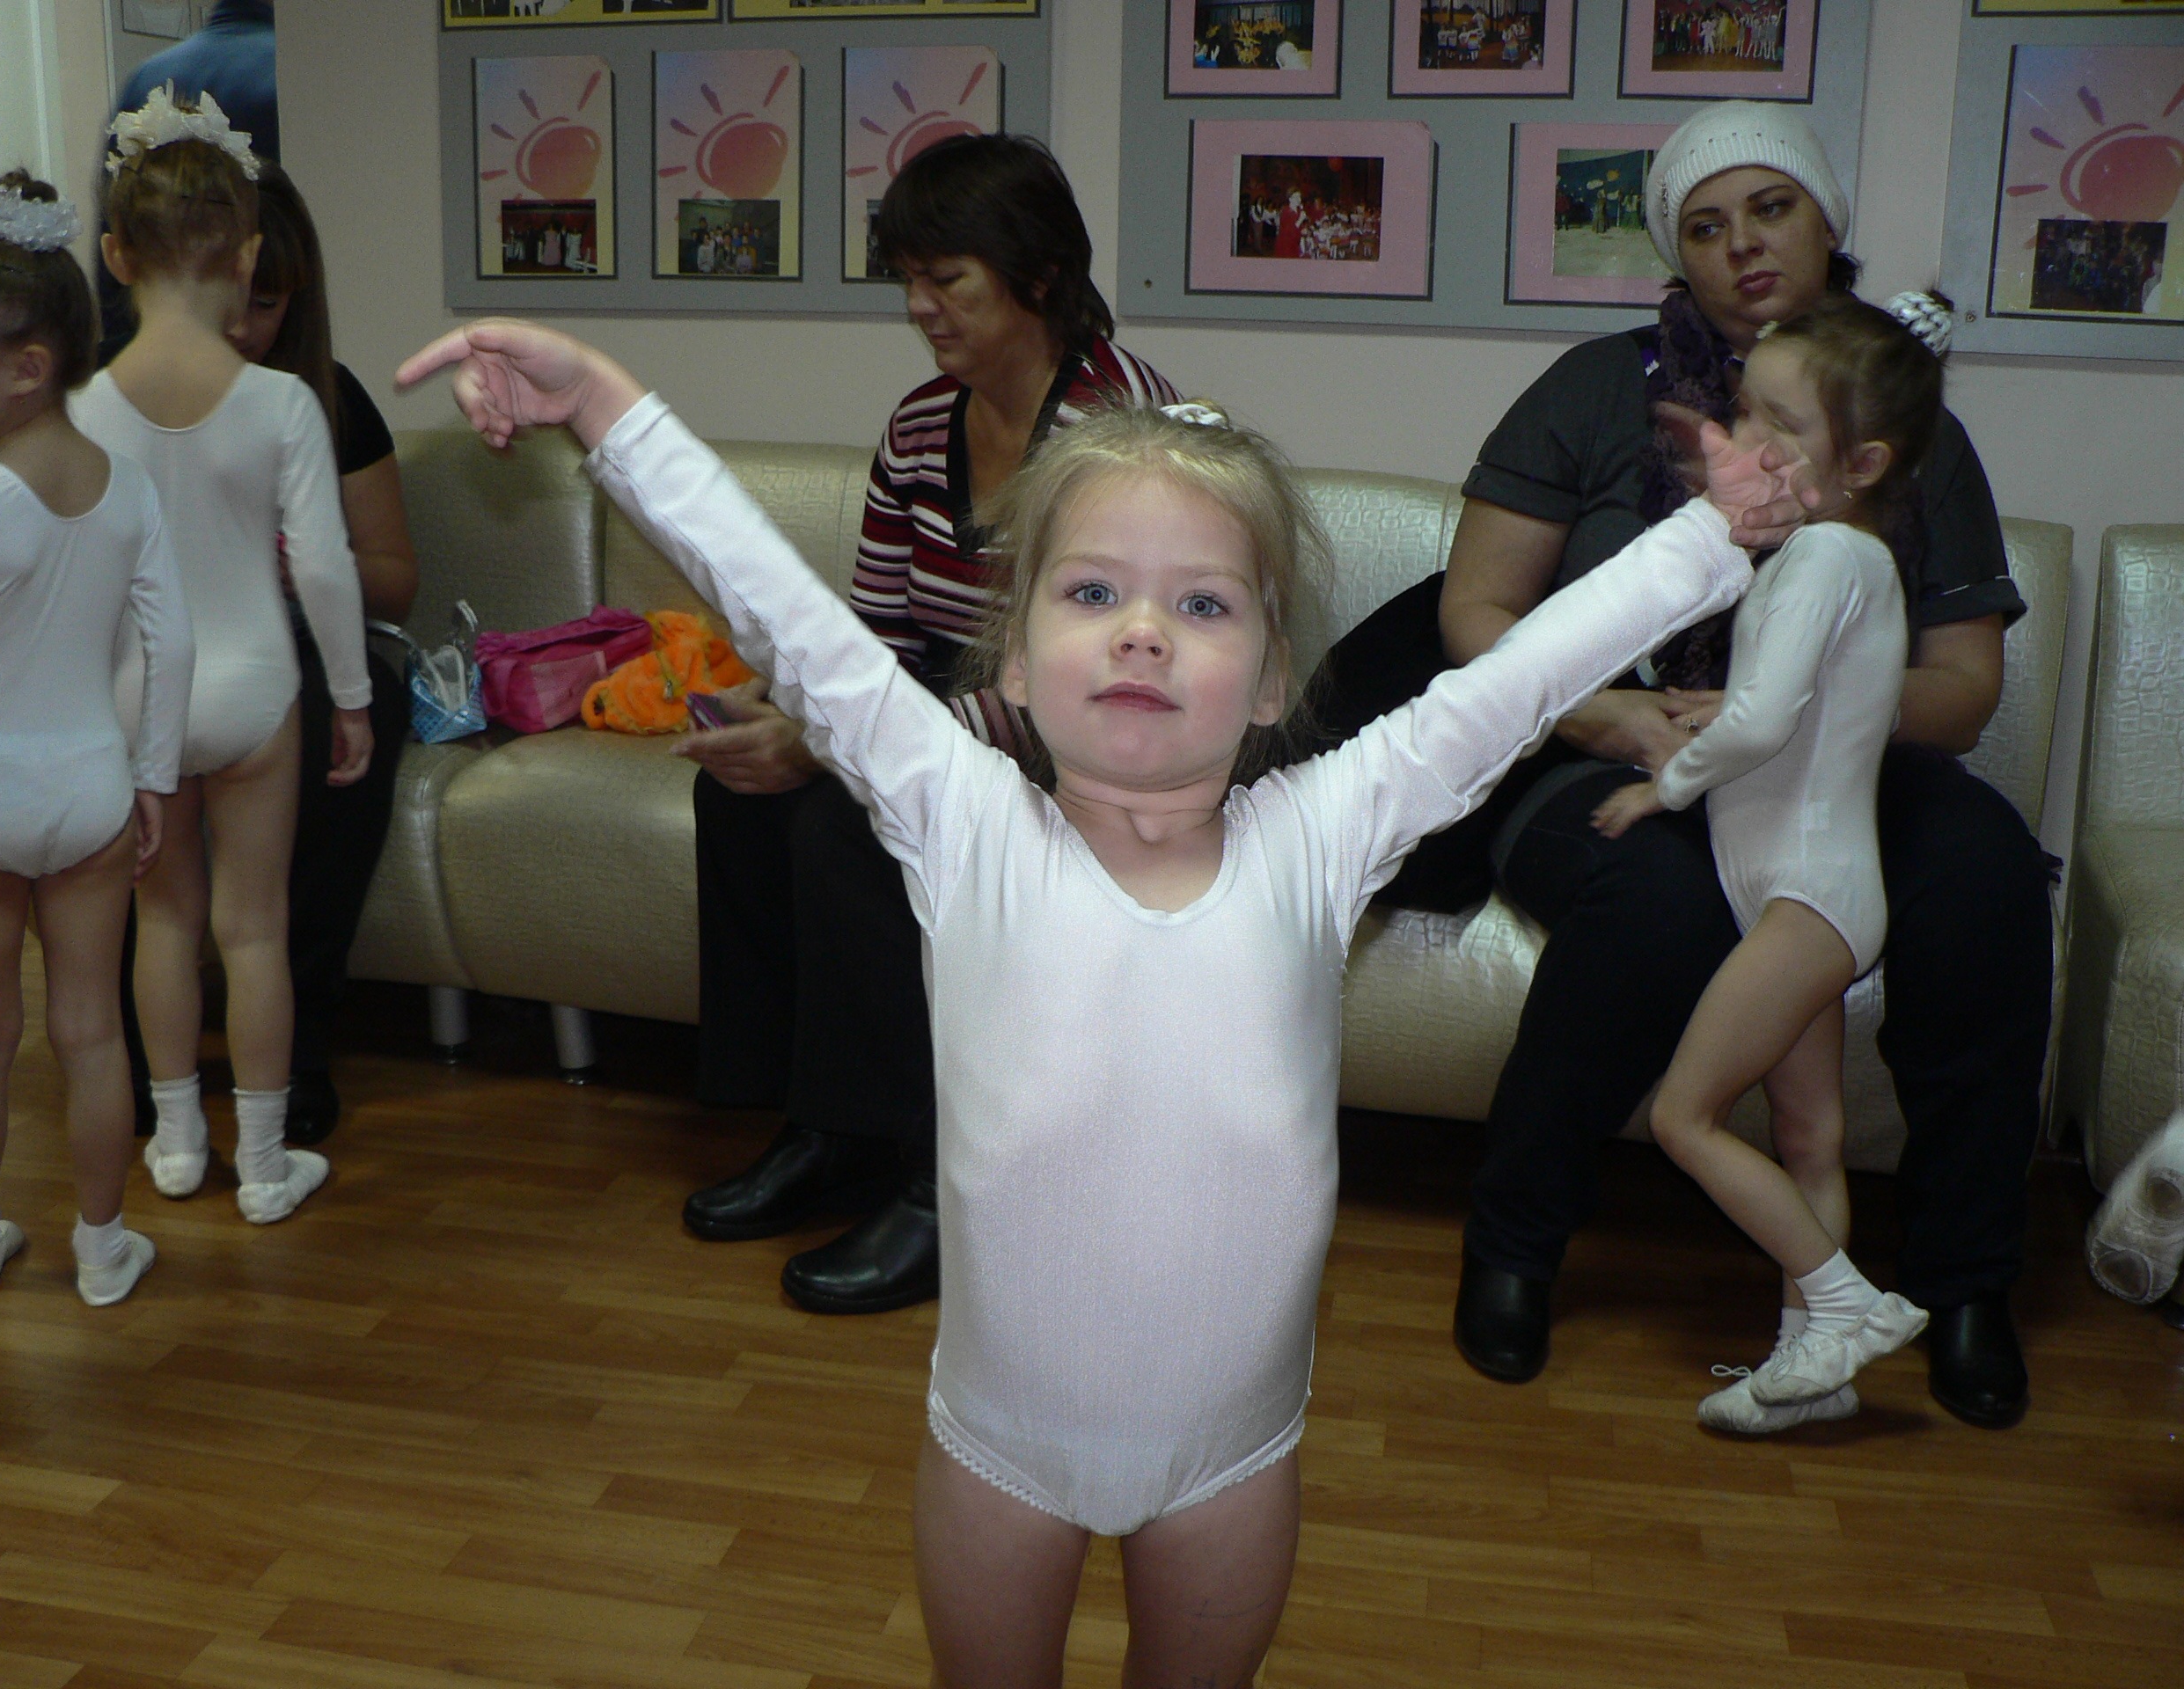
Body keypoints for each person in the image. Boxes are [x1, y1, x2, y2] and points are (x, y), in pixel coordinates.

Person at [394, 297, 1798, 1687]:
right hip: (997, 1455)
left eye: (1202, 604)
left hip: (1231, 1463)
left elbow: (1519, 682)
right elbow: (792, 616)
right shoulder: (965, 822)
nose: (1142, 634)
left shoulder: (1323, 834)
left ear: (1269, 679)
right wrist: (603, 408)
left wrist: (1714, 533)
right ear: (1014, 659)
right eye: (1092, 594)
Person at [1316, 101, 2047, 1429]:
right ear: (1675, 254)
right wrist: (1609, 718)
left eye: (1771, 209)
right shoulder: (1594, 389)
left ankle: (1963, 1283)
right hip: (1597, 736)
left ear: (1825, 223)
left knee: (1985, 872)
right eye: (1704, 227)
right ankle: (1516, 1243)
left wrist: (1817, 707)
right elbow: (1474, 613)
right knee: (1651, 891)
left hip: (1830, 761)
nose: (1741, 245)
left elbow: (1964, 687)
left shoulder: (1898, 416)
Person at [672, 134, 1177, 1316]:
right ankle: (823, 1125)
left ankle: (941, 1178)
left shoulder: (1123, 432)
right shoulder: (917, 429)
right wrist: (792, 705)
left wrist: (846, 744)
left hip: (1095, 725)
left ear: (1037, 276)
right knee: (742, 797)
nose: (919, 308)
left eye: (946, 280)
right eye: (909, 281)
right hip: (954, 697)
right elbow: (881, 635)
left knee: (851, 826)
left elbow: (1092, 674)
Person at [1591, 294, 1957, 1430]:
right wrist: (1727, 709)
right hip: (1809, 895)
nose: (1746, 439)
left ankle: (1843, 1304)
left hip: (1805, 897)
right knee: (1809, 1137)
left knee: (1684, 1117)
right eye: (1746, 410)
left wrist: (1664, 785)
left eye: (1781, 426)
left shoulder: (1825, 554)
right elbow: (1799, 707)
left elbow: (1760, 725)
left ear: (1863, 464)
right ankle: (1813, 1372)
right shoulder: (1840, 559)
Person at [74, 89, 372, 1225]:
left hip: (135, 695)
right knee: (253, 930)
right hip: (254, 692)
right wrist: (353, 698)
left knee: (163, 920)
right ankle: (263, 1164)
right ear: (247, 257)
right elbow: (327, 569)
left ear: (116, 256)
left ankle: (176, 1144)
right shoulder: (282, 403)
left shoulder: (84, 410)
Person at [0, 174, 192, 1305]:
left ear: (26, 366)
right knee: (91, 1035)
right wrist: (154, 778)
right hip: (93, 792)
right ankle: (102, 1248)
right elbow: (172, 643)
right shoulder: (129, 490)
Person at [224, 162, 417, 1144]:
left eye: (265, 306)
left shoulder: (326, 401)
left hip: (306, 643)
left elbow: (395, 578)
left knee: (348, 712)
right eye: (225, 300)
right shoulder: (125, 400)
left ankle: (298, 1047)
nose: (240, 328)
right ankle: (135, 1044)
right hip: (181, 649)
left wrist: (309, 564)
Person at [98, 0, 278, 365]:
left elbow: (115, 221)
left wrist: (118, 360)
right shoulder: (284, 68)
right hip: (265, 338)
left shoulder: (148, 77)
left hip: (152, 352)